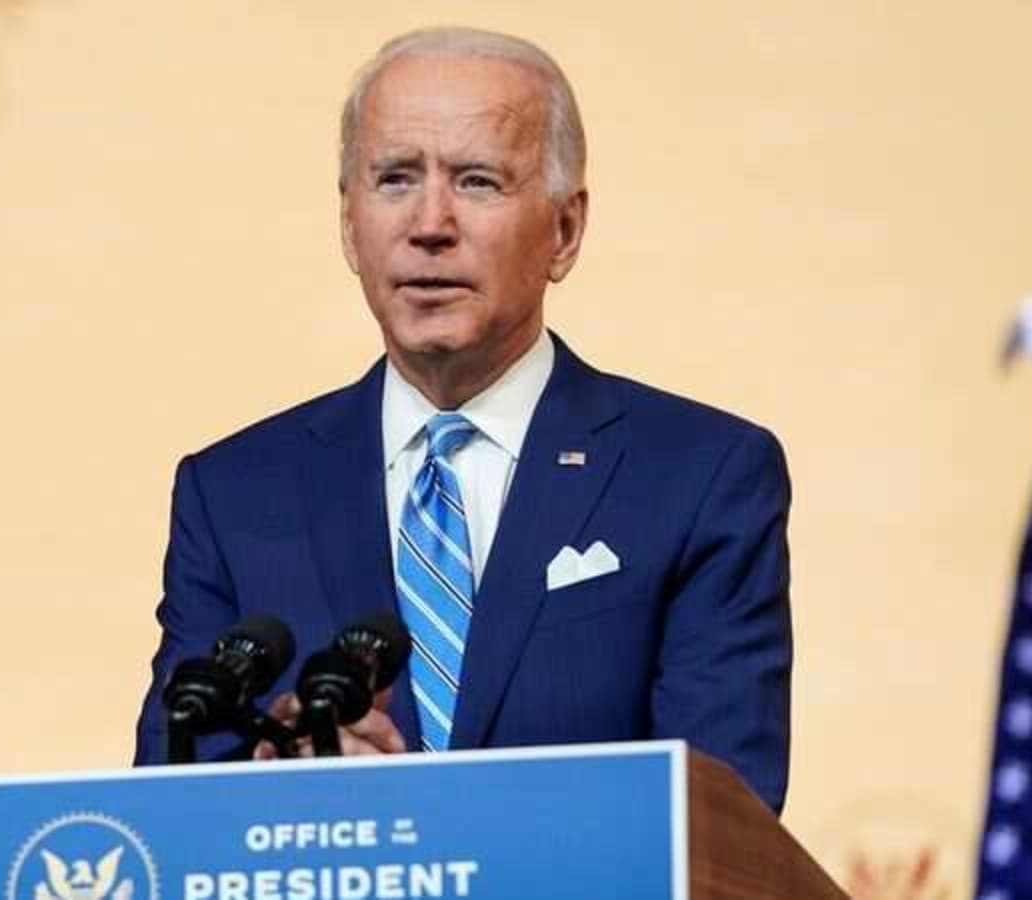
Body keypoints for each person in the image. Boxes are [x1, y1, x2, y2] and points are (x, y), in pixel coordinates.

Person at [132, 26, 792, 813]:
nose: (430, 223)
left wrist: (432, 829)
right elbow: (169, 808)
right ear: (350, 224)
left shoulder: (700, 476)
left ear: (565, 231)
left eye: (477, 181)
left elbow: (722, 818)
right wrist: (289, 789)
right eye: (394, 179)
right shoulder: (235, 493)